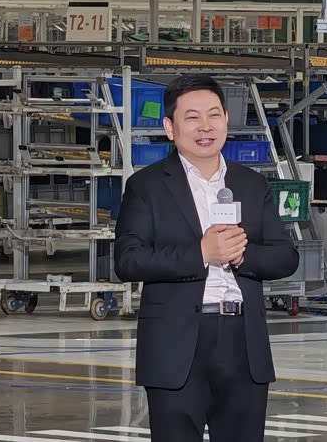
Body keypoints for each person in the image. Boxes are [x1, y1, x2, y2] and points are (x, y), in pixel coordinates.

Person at [114, 74, 299, 442]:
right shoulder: (146, 186)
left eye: (214, 115)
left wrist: (239, 255)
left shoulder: (253, 184)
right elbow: (128, 261)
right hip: (176, 344)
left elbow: (286, 256)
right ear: (170, 128)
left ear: (226, 120)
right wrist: (201, 253)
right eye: (192, 117)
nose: (205, 127)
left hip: (242, 341)